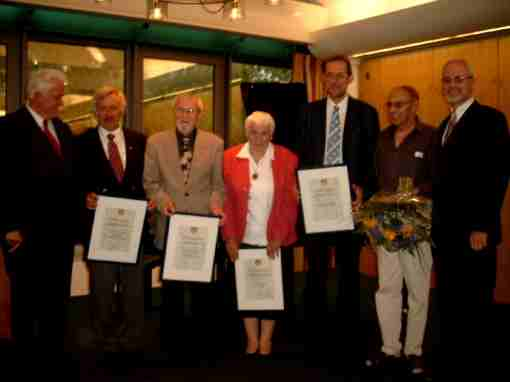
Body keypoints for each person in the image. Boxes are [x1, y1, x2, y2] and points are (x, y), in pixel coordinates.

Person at [296, 55, 379, 364]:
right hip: (316, 204)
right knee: (315, 270)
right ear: (324, 78)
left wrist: (363, 189)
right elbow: (300, 155)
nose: (334, 81)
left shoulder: (366, 114)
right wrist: (298, 185)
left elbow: (373, 160)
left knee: (348, 271)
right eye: (329, 76)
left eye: (339, 76)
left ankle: (347, 333)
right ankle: (314, 333)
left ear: (349, 79)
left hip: (349, 205)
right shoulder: (307, 112)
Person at [433, 59, 510, 376]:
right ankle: (454, 360)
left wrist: (482, 225)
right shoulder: (443, 125)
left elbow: (496, 175)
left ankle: (478, 365)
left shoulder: (490, 119)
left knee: (476, 302)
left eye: (459, 79)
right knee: (451, 300)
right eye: (447, 80)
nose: (452, 85)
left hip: (474, 233)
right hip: (445, 233)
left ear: (472, 82)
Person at [0, 69, 77, 358]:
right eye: (57, 96)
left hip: (61, 237)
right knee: (26, 305)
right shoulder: (7, 128)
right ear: (35, 95)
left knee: (56, 304)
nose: (62, 101)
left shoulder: (64, 130)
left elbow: (70, 180)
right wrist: (7, 226)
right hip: (25, 236)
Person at [143, 94, 224, 351]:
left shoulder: (215, 143)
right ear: (174, 112)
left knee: (202, 287)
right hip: (170, 223)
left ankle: (201, 341)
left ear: (199, 115)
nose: (185, 115)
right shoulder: (155, 142)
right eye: (180, 110)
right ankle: (172, 342)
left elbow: (218, 185)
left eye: (191, 111)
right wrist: (162, 198)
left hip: (202, 225)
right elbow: (150, 182)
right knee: (172, 288)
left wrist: (215, 205)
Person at [367, 86, 435, 375]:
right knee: (387, 288)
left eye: (399, 105)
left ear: (415, 105)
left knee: (418, 289)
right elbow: (373, 179)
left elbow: (439, 178)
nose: (393, 110)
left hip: (416, 221)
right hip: (385, 221)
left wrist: (417, 194)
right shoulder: (382, 138)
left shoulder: (431, 137)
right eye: (389, 105)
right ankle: (390, 348)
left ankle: (414, 350)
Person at [76, 86, 148, 352]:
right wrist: (83, 197)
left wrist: (151, 200)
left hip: (132, 228)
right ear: (96, 111)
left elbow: (147, 182)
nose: (108, 114)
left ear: (123, 110)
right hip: (99, 230)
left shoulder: (140, 141)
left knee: (133, 289)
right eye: (103, 108)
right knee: (102, 289)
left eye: (113, 108)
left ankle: (132, 340)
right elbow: (71, 182)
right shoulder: (81, 143)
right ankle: (102, 339)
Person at [222, 111, 299, 356]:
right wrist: (230, 237)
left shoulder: (286, 158)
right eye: (253, 131)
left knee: (272, 290)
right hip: (243, 236)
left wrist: (278, 235)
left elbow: (290, 202)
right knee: (247, 290)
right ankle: (251, 338)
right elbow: (226, 203)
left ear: (272, 134)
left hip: (274, 237)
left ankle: (266, 339)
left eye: (264, 132)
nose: (258, 137)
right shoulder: (229, 157)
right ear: (246, 132)